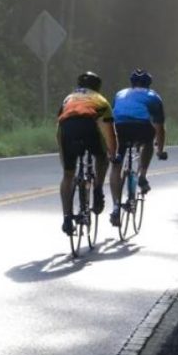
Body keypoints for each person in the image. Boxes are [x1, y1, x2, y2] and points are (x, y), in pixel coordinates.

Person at [57, 71, 116, 236]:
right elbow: (109, 132)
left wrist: (64, 159)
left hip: (67, 130)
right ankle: (97, 189)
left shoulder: (68, 98)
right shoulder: (100, 100)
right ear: (97, 87)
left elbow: (59, 128)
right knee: (102, 157)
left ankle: (67, 218)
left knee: (68, 175)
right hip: (88, 127)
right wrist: (113, 153)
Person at [109, 68, 168, 227]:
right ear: (149, 84)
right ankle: (142, 176)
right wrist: (160, 150)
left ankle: (115, 207)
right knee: (148, 142)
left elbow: (113, 115)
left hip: (119, 129)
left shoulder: (120, 94)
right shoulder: (154, 96)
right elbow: (159, 128)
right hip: (141, 128)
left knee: (116, 166)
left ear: (131, 83)